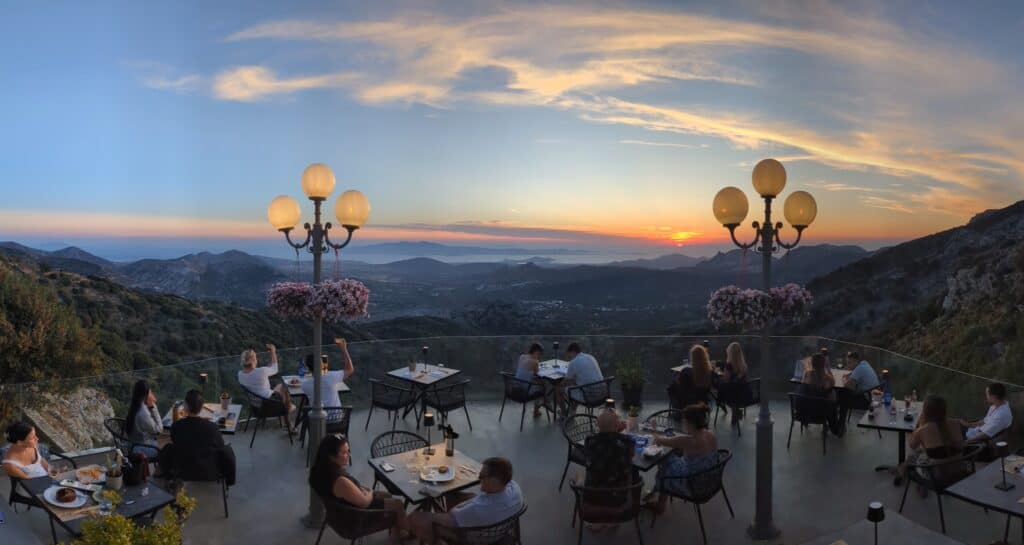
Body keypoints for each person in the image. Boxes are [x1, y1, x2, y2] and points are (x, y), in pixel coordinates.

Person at [309, 435, 408, 537]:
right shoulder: (340, 481)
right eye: (344, 453)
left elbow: (347, 491)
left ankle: (397, 527)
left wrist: (359, 489)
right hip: (355, 518)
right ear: (331, 456)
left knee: (386, 495)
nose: (349, 455)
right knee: (398, 504)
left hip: (338, 512)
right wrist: (369, 492)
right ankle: (405, 536)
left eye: (348, 450)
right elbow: (364, 503)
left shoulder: (319, 470)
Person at [408, 457, 523, 544]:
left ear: (493, 481)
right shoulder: (515, 489)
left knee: (419, 518)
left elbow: (450, 515)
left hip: (472, 538)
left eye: (482, 476)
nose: (479, 478)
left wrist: (438, 507)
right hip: (498, 529)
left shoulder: (477, 509)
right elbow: (474, 504)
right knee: (455, 494)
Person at [646, 405, 718, 514]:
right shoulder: (711, 434)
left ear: (691, 423)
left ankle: (661, 503)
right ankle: (660, 492)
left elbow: (658, 440)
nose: (682, 422)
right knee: (672, 457)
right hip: (709, 480)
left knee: (665, 461)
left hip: (693, 485)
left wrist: (654, 427)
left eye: (683, 420)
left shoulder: (688, 440)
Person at [160, 390, 236, 486]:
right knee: (227, 449)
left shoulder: (176, 426)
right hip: (209, 471)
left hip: (183, 470)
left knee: (167, 448)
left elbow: (176, 442)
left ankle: (169, 479)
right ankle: (229, 482)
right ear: (201, 407)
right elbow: (220, 445)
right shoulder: (212, 427)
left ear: (186, 406)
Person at [896, 395, 964, 488]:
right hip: (959, 474)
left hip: (936, 478)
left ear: (925, 411)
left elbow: (912, 445)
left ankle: (903, 472)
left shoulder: (923, 430)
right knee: (924, 452)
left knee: (913, 454)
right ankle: (903, 470)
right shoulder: (956, 423)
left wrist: (919, 426)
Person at [581, 409, 636, 490]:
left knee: (580, 474)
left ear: (598, 425)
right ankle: (635, 502)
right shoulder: (627, 441)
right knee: (635, 474)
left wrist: (614, 429)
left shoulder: (589, 440)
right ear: (618, 425)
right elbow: (631, 457)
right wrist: (617, 431)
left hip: (592, 492)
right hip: (618, 495)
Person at [301, 338, 356, 410]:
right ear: (322, 365)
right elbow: (350, 369)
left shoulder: (304, 386)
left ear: (308, 368)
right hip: (336, 418)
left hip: (317, 419)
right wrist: (344, 349)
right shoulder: (332, 377)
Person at [238, 344, 293, 413]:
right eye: (255, 357)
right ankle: (287, 409)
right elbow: (275, 369)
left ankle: (286, 411)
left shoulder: (240, 374)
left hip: (255, 406)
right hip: (267, 404)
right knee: (284, 386)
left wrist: (266, 370)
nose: (257, 359)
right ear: (253, 360)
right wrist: (273, 351)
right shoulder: (262, 371)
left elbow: (254, 376)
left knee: (279, 387)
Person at [125, 379, 163, 458]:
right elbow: (159, 429)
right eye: (150, 392)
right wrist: (153, 406)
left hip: (132, 444)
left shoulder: (134, 406)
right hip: (139, 449)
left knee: (162, 441)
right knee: (166, 447)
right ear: (147, 394)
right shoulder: (143, 413)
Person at [718, 342, 753, 427]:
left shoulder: (729, 366)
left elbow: (726, 379)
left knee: (720, 386)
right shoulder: (743, 365)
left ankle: (720, 403)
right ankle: (735, 411)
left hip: (733, 397)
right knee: (731, 387)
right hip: (745, 395)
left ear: (730, 353)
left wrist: (719, 373)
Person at [669, 345, 713, 409]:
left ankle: (676, 410)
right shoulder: (710, 372)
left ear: (692, 357)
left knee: (671, 387)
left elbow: (682, 387)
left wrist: (676, 379)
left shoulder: (687, 371)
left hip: (687, 403)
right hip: (702, 402)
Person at [561, 343, 604, 408]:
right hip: (602, 393)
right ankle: (572, 411)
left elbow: (566, 381)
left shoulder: (573, 362)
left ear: (572, 351)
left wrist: (559, 383)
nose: (569, 358)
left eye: (569, 356)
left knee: (560, 389)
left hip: (589, 397)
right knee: (575, 385)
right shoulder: (590, 357)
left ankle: (564, 414)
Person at [513, 343, 546, 418]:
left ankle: (544, 402)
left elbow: (526, 372)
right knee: (541, 387)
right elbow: (537, 374)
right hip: (524, 391)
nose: (540, 356)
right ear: (536, 352)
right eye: (540, 354)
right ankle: (536, 410)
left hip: (515, 387)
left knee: (537, 383)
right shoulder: (535, 362)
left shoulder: (522, 357)